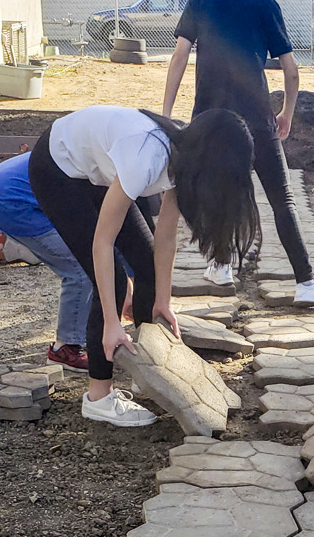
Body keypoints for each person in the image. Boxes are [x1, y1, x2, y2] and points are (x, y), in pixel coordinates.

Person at [27, 102, 260, 428]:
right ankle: (99, 398)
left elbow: (164, 239)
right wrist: (112, 322)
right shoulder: (147, 156)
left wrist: (163, 300)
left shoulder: (186, 155)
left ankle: (146, 366)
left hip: (95, 167)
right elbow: (102, 243)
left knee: (147, 264)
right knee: (115, 282)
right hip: (57, 168)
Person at [162, 0, 314, 304]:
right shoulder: (265, 3)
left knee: (220, 190)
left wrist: (168, 114)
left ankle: (220, 267)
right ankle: (307, 283)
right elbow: (291, 72)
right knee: (282, 199)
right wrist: (287, 114)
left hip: (210, 118)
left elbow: (179, 58)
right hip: (256, 116)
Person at [0, 152, 96, 370]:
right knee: (80, 269)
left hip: (6, 184)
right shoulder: (101, 167)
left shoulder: (90, 146)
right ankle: (64, 349)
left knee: (90, 255)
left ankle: (83, 332)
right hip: (13, 201)